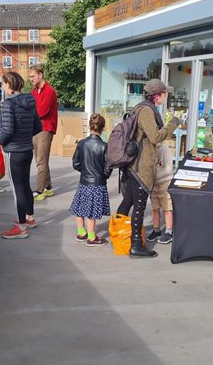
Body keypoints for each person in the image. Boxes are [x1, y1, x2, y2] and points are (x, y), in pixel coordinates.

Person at [118, 79, 180, 258]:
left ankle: (121, 237)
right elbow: (155, 136)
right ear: (157, 95)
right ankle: (136, 245)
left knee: (128, 201)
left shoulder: (141, 108)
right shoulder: (146, 111)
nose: (165, 96)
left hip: (134, 165)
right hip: (140, 167)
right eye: (164, 93)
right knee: (138, 206)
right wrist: (173, 124)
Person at [0, 72, 42, 239]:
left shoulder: (8, 104)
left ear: (9, 85)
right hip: (26, 149)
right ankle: (30, 218)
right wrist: (25, 135)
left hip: (14, 151)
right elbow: (38, 126)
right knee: (25, 185)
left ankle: (21, 227)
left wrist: (1, 141)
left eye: (3, 84)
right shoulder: (30, 101)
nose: (2, 87)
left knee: (18, 190)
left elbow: (8, 130)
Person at [70, 113, 112, 246]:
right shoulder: (105, 146)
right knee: (92, 212)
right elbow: (108, 166)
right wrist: (103, 175)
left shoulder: (82, 143)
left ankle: (82, 232)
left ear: (89, 126)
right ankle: (92, 237)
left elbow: (76, 163)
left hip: (84, 182)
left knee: (79, 207)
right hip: (98, 183)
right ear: (103, 128)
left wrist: (85, 172)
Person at [28, 64, 58, 201]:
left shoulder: (49, 91)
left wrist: (29, 113)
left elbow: (41, 111)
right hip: (36, 128)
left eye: (33, 76)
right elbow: (30, 106)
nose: (31, 79)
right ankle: (48, 186)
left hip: (45, 128)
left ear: (40, 75)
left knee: (41, 160)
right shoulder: (34, 91)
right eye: (30, 77)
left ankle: (40, 190)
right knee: (41, 159)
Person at [146, 143, 174, 244]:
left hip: (164, 183)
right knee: (155, 208)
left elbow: (168, 169)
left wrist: (153, 177)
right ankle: (156, 229)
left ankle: (169, 232)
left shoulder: (165, 149)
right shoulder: (149, 148)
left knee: (167, 208)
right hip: (153, 184)